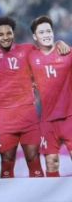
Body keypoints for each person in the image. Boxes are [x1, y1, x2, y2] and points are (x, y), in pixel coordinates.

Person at [0, 17, 47, 178]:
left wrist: (60, 43)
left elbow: (47, 51)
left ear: (13, 34)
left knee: (34, 160)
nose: (5, 37)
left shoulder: (27, 50)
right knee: (7, 162)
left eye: (9, 33)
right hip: (5, 119)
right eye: (1, 34)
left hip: (28, 116)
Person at [28, 15, 72, 177]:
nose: (46, 34)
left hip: (70, 117)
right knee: (51, 162)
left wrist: (60, 42)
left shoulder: (67, 52)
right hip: (47, 120)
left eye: (48, 31)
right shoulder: (31, 57)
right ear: (35, 37)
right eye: (41, 32)